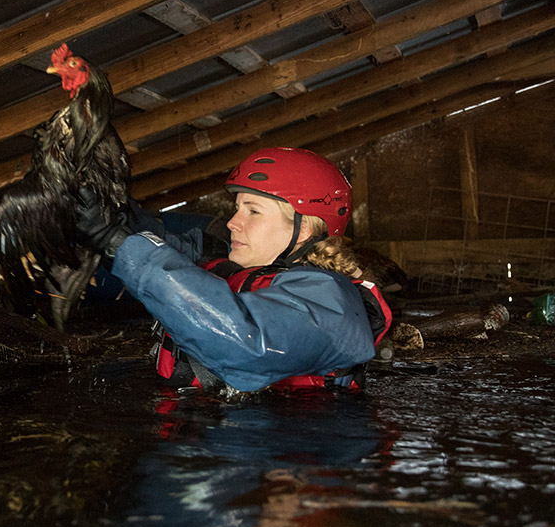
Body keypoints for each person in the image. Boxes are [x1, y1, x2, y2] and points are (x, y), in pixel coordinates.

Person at [76, 146, 391, 392]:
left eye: (252, 211)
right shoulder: (242, 270)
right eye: (236, 208)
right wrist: (111, 210)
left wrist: (115, 241)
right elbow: (167, 260)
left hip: (279, 456)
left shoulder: (330, 304)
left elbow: (248, 345)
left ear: (304, 228)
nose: (231, 222)